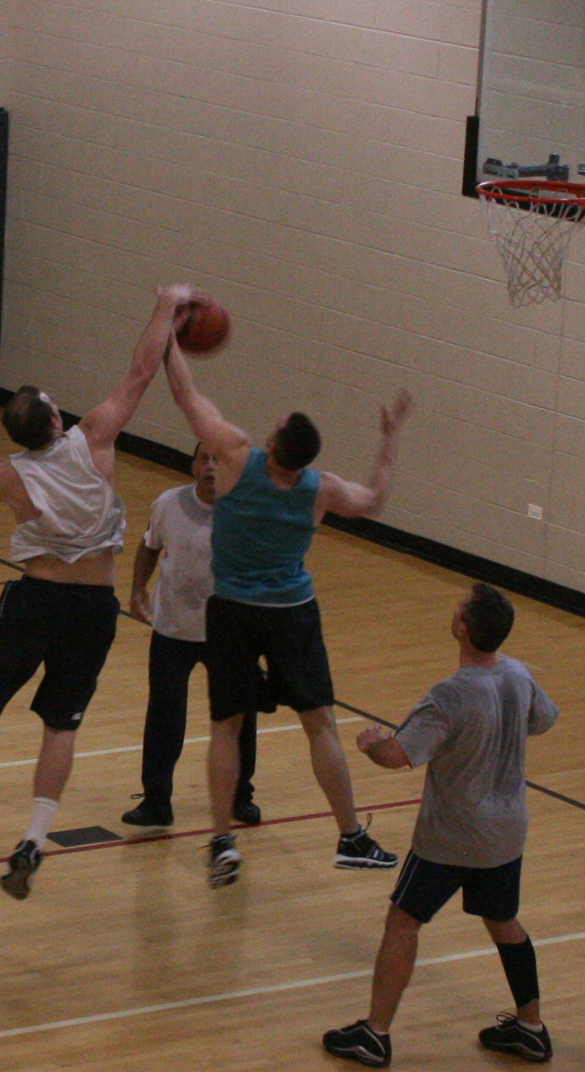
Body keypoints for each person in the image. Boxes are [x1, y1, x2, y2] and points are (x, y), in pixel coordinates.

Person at [0, 284, 192, 898]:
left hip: (36, 600)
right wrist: (165, 303)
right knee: (62, 726)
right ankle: (32, 839)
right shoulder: (95, 442)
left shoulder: (8, 474)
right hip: (94, 607)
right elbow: (141, 371)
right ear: (57, 421)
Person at [160, 342, 414, 887]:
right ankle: (350, 838)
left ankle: (222, 842)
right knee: (319, 722)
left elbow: (187, 397)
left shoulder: (233, 458)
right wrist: (389, 438)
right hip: (292, 612)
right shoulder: (319, 489)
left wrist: (170, 341)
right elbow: (375, 500)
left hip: (231, 609)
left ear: (274, 444)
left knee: (225, 727)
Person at [322, 584, 561, 1068]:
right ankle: (531, 1028)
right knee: (503, 921)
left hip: (450, 836)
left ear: (463, 628)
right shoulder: (518, 674)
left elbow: (399, 755)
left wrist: (372, 743)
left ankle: (376, 1033)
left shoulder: (451, 695)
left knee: (403, 921)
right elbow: (544, 720)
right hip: (506, 831)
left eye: (458, 609)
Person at [119, 444, 260, 830]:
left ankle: (239, 795)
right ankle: (156, 801)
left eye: (220, 460)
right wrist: (137, 589)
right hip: (173, 629)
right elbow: (149, 546)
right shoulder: (168, 503)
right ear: (193, 463)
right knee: (164, 713)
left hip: (230, 634)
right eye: (204, 458)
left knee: (237, 719)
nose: (211, 467)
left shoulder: (248, 511)